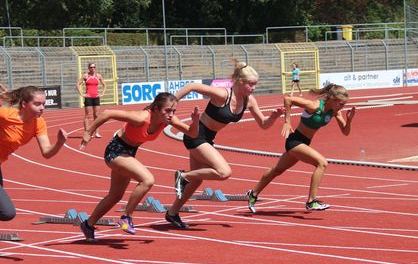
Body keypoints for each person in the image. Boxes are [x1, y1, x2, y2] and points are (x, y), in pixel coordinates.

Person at [168, 61, 284, 229]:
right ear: (239, 82)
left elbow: (264, 124)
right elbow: (192, 86)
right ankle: (183, 176)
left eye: (255, 85)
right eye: (251, 84)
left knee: (197, 180)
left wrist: (274, 117)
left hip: (208, 138)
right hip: (196, 135)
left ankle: (172, 213)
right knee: (224, 172)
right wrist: (171, 104)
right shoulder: (222, 95)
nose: (254, 88)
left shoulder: (249, 101)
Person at [78, 92, 199, 242]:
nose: (170, 115)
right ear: (155, 109)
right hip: (115, 151)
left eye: (173, 111)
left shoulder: (168, 120)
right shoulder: (141, 117)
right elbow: (107, 113)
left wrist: (195, 122)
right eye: (167, 110)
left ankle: (88, 225)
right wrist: (88, 132)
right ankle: (126, 218)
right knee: (147, 179)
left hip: (129, 153)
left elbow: (192, 133)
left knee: (115, 196)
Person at [246, 83, 356, 213]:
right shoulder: (314, 105)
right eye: (341, 103)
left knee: (277, 170)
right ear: (332, 99)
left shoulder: (335, 112)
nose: (342, 106)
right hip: (295, 141)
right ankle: (311, 202)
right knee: (322, 163)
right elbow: (288, 99)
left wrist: (349, 120)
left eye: (344, 104)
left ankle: (253, 194)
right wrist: (287, 121)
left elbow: (345, 132)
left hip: (304, 143)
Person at [0, 85, 67, 221]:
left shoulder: (39, 123)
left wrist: (59, 142)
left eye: (43, 104)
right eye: (37, 104)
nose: (42, 107)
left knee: (6, 213)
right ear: (24, 104)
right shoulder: (6, 115)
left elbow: (47, 152)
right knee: (7, 212)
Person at [76, 63, 107, 138]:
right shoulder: (86, 76)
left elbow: (104, 84)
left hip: (96, 97)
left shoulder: (98, 76)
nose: (92, 68)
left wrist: (102, 93)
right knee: (87, 115)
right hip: (88, 97)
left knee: (96, 115)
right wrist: (82, 94)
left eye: (94, 67)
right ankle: (87, 133)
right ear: (88, 68)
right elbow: (77, 84)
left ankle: (97, 133)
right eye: (91, 67)